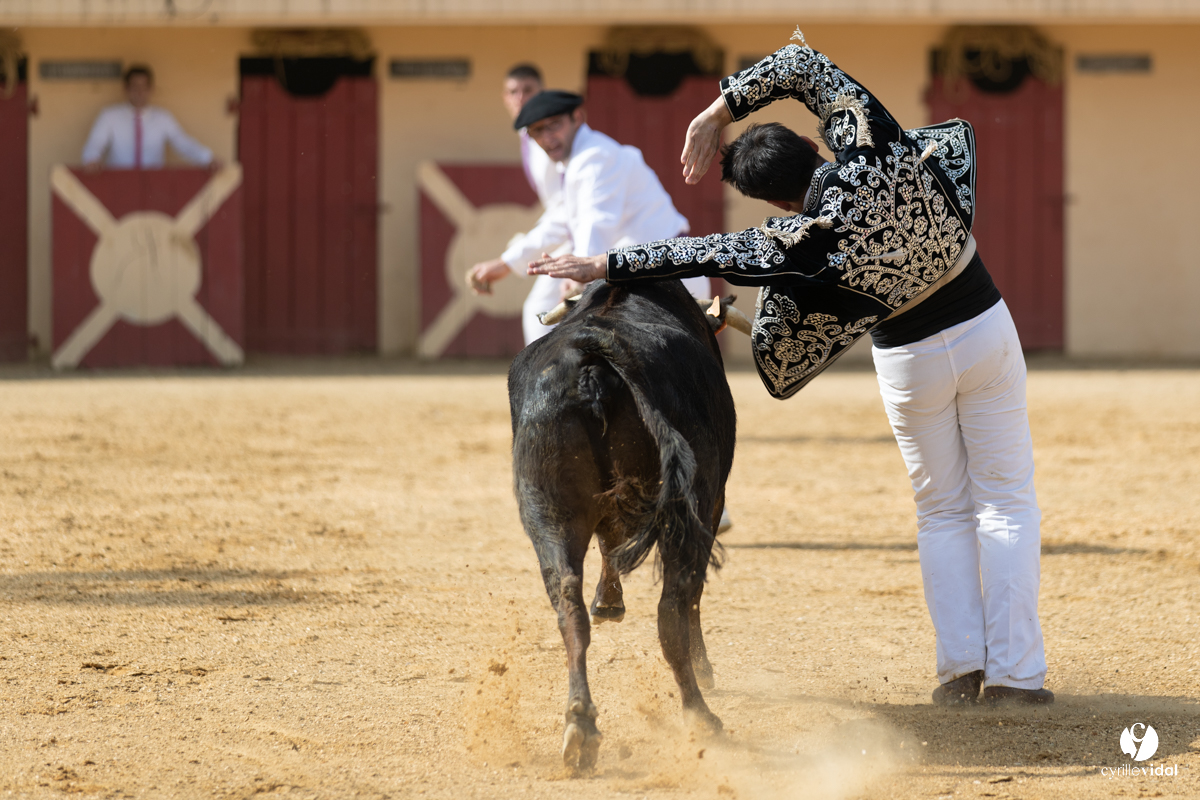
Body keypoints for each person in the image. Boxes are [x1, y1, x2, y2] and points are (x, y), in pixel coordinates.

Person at [529, 29, 1051, 706]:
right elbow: (803, 63)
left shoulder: (794, 241)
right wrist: (720, 111)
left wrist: (606, 264)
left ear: (775, 204)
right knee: (1005, 502)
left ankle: (960, 672)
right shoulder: (871, 145)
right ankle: (1017, 679)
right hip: (982, 324)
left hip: (909, 362)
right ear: (813, 145)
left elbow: (708, 252)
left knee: (943, 510)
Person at [468, 88, 710, 343]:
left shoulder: (595, 158)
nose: (548, 137)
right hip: (641, 275)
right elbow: (560, 222)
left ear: (578, 117)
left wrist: (579, 274)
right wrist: (506, 263)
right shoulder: (578, 161)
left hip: (666, 277)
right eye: (537, 130)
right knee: (538, 310)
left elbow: (596, 222)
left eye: (554, 125)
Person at [466, 64, 567, 343]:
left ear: (541, 94)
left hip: (591, 236)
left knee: (539, 313)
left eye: (528, 90)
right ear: (504, 99)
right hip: (579, 232)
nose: (520, 98)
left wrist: (511, 259)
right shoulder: (530, 137)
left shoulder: (544, 139)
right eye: (513, 92)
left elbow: (567, 210)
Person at [82, 65, 213, 170]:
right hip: (118, 183)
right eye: (135, 86)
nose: (140, 92)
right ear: (126, 88)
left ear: (151, 89)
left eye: (144, 87)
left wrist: (207, 158)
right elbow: (96, 142)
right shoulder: (109, 115)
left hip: (153, 184)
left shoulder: (163, 117)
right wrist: (91, 159)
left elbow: (182, 142)